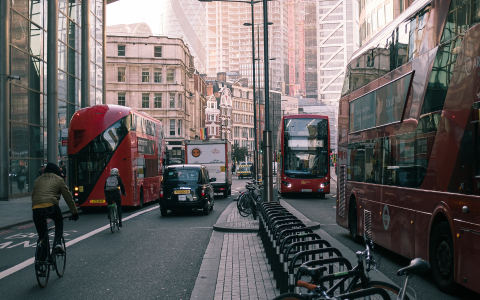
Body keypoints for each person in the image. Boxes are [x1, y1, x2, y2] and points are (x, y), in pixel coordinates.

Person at [32, 163, 79, 256]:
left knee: (42, 236)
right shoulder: (59, 180)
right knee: (58, 220)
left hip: (36, 208)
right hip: (51, 206)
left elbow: (33, 196)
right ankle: (58, 243)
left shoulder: (37, 180)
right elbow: (68, 198)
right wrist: (74, 213)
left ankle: (41, 263)